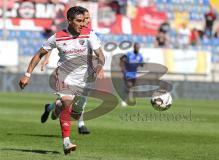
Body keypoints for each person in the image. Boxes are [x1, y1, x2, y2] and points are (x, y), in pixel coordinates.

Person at [19, 6, 105, 155]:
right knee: (67, 103)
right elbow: (39, 54)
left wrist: (100, 66)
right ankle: (66, 142)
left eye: (83, 20)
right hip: (65, 76)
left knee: (76, 114)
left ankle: (55, 106)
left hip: (85, 79)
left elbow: (100, 55)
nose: (82, 24)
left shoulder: (89, 35)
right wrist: (27, 74)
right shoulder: (57, 37)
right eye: (78, 21)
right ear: (69, 21)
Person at [40, 7, 93, 135]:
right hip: (70, 72)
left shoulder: (90, 33)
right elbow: (54, 44)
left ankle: (50, 107)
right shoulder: (71, 31)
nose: (86, 20)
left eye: (87, 18)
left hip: (86, 72)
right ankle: (81, 125)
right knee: (73, 100)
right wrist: (47, 58)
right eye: (84, 18)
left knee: (76, 100)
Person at [119, 43, 143, 107]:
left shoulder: (140, 56)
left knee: (131, 87)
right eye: (137, 47)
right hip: (127, 72)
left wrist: (141, 65)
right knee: (129, 85)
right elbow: (121, 59)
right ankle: (124, 100)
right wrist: (123, 69)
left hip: (134, 73)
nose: (138, 49)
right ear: (134, 47)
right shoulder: (129, 54)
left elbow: (140, 64)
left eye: (139, 48)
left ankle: (126, 98)